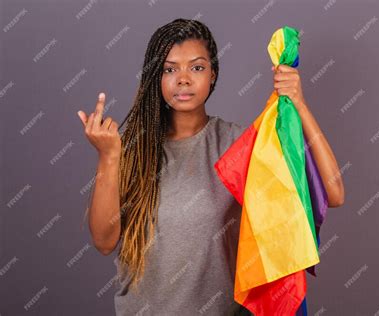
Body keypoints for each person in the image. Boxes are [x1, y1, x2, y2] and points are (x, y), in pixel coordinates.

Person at [77, 18, 344, 316]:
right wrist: (109, 157)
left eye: (197, 67)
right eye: (169, 69)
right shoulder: (131, 150)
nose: (183, 78)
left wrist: (298, 102)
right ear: (156, 77)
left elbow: (333, 192)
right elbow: (103, 240)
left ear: (213, 75)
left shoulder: (240, 147)